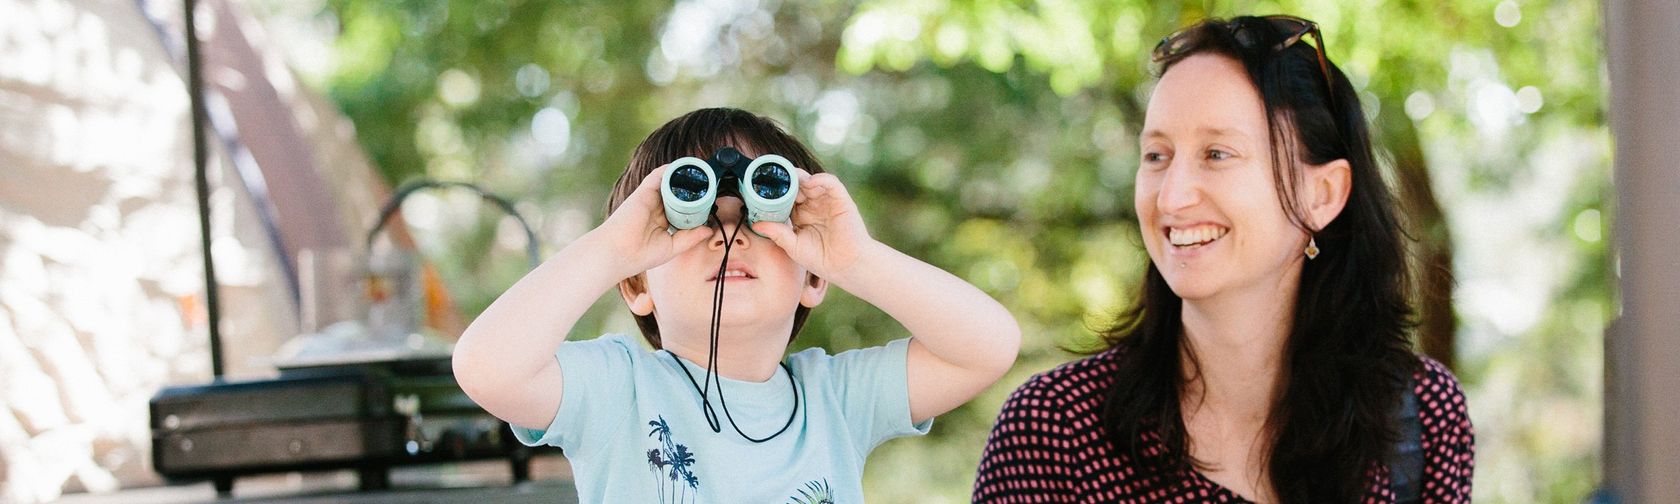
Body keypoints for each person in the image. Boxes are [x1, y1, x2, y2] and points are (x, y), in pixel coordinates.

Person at [972, 16, 1473, 503]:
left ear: (1322, 193)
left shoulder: (1422, 417)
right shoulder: (1053, 432)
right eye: (1156, 156)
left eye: (1217, 154)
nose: (1171, 197)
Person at [454, 107, 1020, 502]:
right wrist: (612, 247)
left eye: (760, 214)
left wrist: (854, 259)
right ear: (635, 286)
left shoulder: (835, 401)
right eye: (694, 216)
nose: (730, 233)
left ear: (813, 279)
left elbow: (987, 347)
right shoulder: (617, 392)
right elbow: (486, 368)